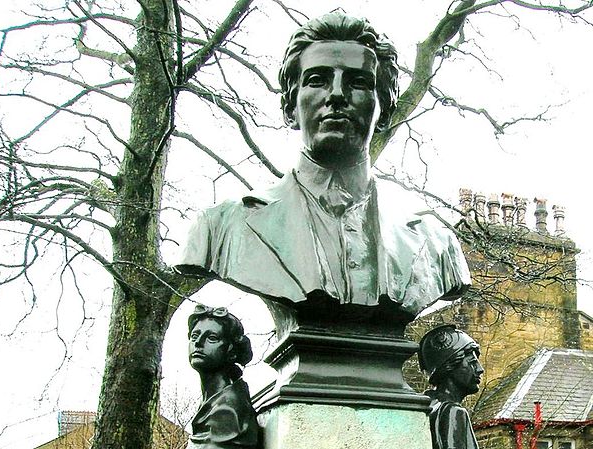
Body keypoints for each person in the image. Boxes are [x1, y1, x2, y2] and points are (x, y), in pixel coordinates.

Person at [176, 11, 470, 318]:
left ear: (383, 113)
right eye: (317, 80)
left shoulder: (436, 245)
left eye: (359, 82)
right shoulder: (220, 228)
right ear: (290, 108)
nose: (337, 95)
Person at [188, 304, 259, 449]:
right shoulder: (213, 404)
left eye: (212, 338)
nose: (198, 343)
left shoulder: (229, 411)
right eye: (194, 336)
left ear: (231, 352)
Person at [418, 324, 484, 449]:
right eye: (472, 363)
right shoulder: (453, 411)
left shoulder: (429, 407)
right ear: (450, 366)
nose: (480, 369)